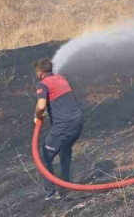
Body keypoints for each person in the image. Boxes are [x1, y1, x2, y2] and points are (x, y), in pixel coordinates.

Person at [33, 58, 83, 201]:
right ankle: (67, 184)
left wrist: (37, 115)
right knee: (64, 150)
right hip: (77, 123)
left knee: (43, 157)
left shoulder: (42, 84)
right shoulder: (61, 78)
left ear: (39, 73)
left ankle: (51, 193)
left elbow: (41, 106)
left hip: (63, 126)